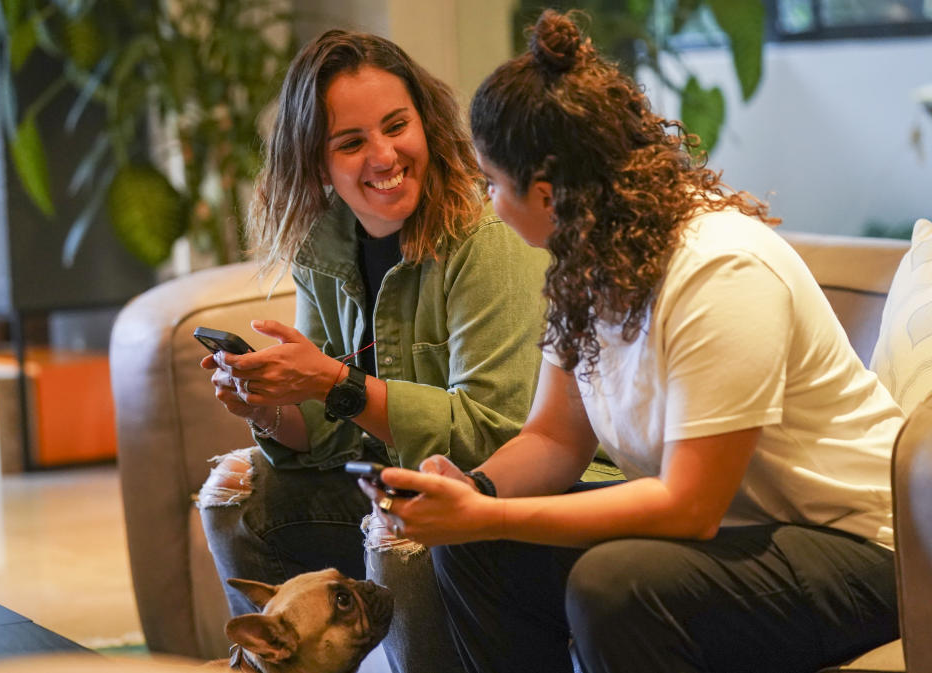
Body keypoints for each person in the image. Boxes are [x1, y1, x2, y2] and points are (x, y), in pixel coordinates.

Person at [361, 10, 903, 673]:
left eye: (493, 183)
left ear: (547, 193)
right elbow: (557, 439)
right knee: (476, 548)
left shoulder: (721, 269)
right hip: (741, 538)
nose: (488, 201)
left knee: (613, 584)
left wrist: (489, 515)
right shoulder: (583, 263)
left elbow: (689, 505)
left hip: (868, 549)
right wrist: (472, 492)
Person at [195, 29, 555, 673]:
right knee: (239, 498)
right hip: (393, 482)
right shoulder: (324, 243)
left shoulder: (487, 236)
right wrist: (269, 405)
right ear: (316, 162)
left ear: (427, 122)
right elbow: (333, 436)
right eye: (352, 142)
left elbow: (496, 437)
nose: (385, 155)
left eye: (397, 126)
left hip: (511, 494)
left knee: (400, 525)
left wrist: (335, 382)